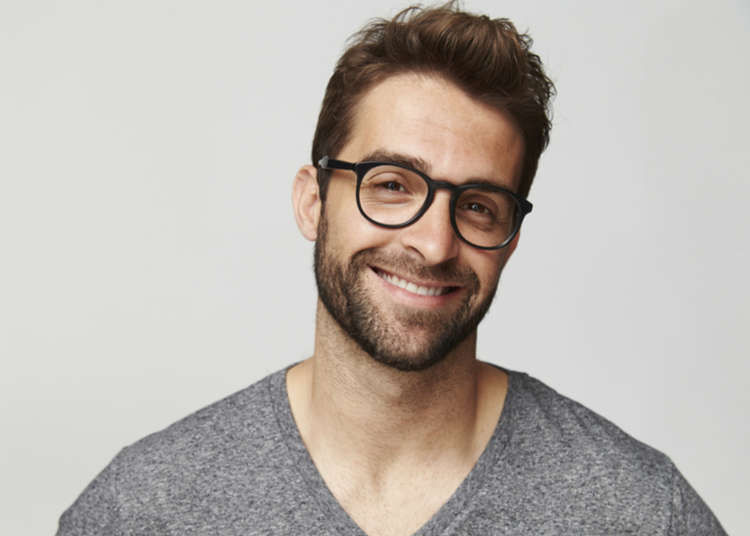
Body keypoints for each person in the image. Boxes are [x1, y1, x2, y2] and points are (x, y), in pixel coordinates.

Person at [57, 3, 726, 535]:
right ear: (313, 202)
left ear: (511, 240)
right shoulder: (144, 509)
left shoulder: (640, 511)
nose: (434, 244)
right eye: (392, 185)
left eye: (478, 206)